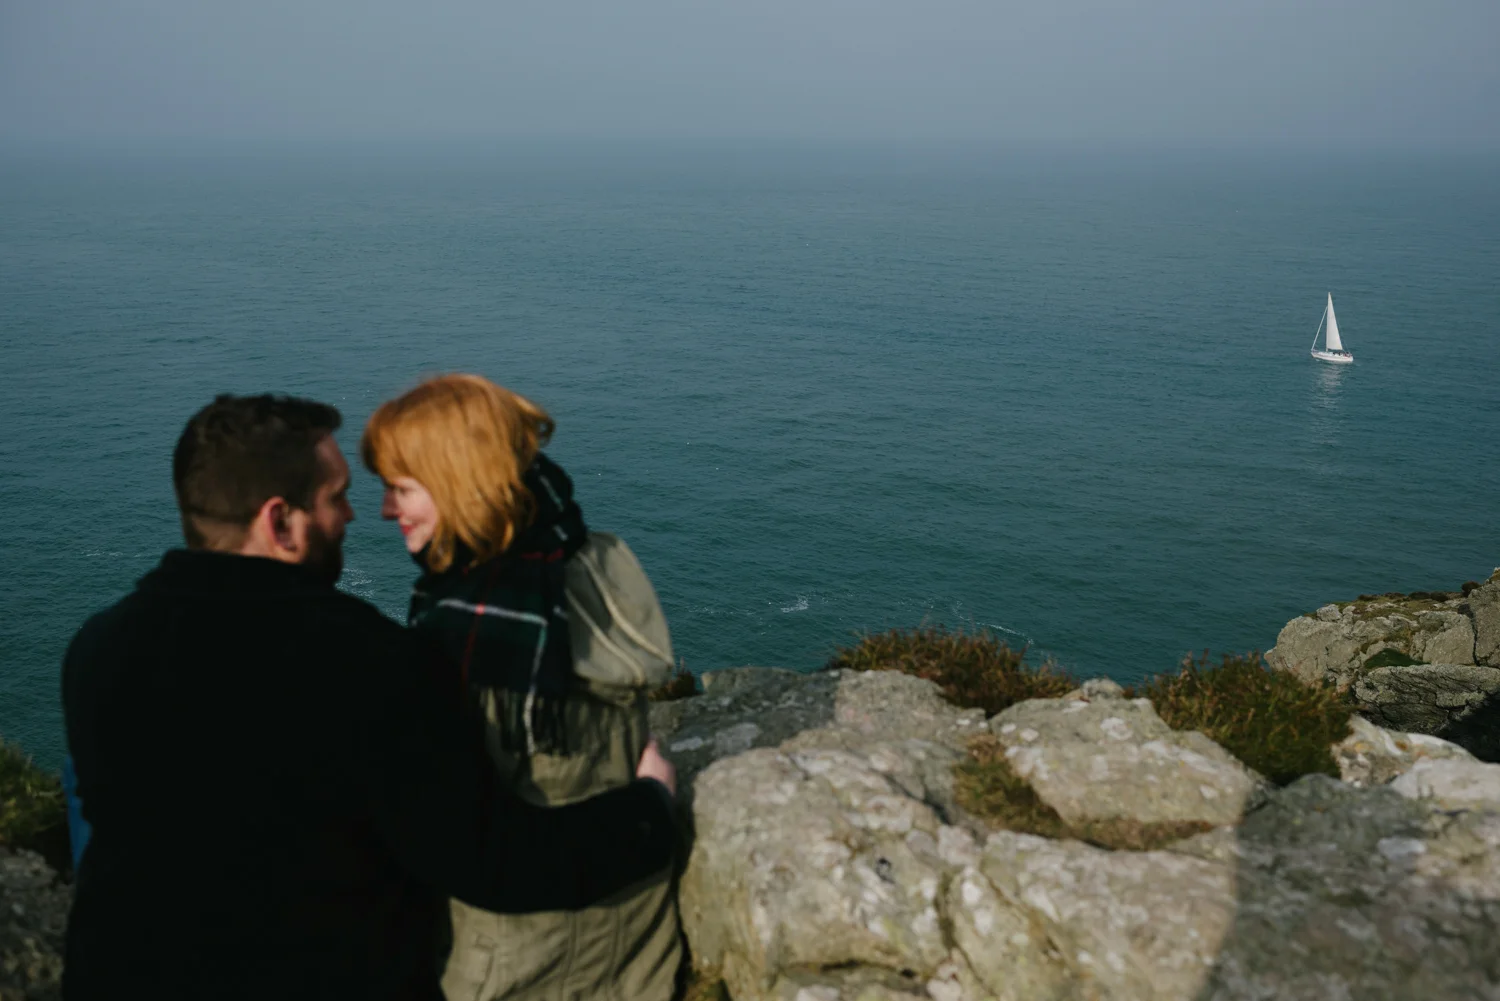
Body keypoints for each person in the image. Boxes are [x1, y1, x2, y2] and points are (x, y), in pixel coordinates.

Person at [60, 393, 678, 1001]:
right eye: (337, 498)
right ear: (279, 521)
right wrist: (648, 809)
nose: (357, 515)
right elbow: (491, 862)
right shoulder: (373, 661)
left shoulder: (97, 648)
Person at [360, 374, 682, 1001]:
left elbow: (476, 846)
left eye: (401, 489)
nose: (385, 511)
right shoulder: (590, 568)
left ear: (459, 481)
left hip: (509, 963)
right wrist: (651, 798)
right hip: (638, 944)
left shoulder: (462, 635)